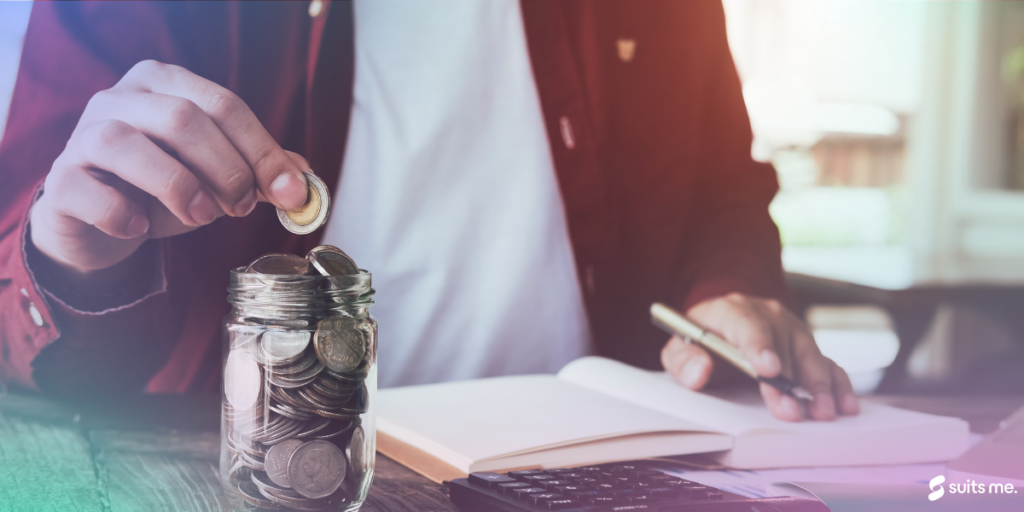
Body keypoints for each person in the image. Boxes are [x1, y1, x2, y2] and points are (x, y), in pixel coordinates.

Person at [0, 0, 858, 422]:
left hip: (594, 468)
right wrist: (73, 254)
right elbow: (25, 281)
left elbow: (720, 186)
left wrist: (726, 291)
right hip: (238, 472)